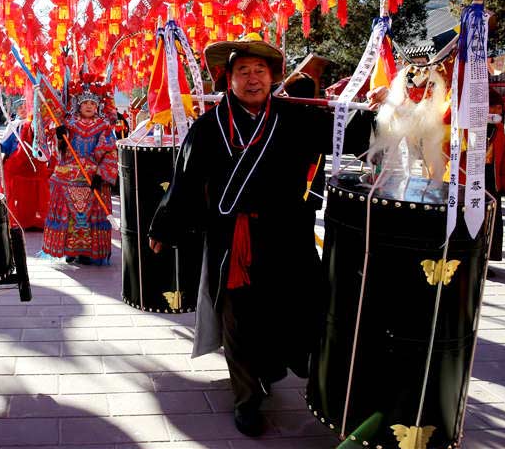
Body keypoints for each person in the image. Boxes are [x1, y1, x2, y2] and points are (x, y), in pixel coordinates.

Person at [147, 34, 385, 437]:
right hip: (233, 241)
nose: (253, 79)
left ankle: (290, 375)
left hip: (288, 235)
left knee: (300, 311)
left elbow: (350, 133)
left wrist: (381, 111)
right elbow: (185, 179)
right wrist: (164, 226)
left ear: (272, 77)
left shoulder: (296, 117)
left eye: (260, 71)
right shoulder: (208, 128)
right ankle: (246, 400)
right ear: (229, 79)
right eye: (243, 72)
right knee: (238, 320)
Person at [41, 76, 118, 265]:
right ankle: (70, 250)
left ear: (98, 106)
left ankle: (87, 253)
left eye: (93, 103)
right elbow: (61, 147)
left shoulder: (104, 126)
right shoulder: (70, 124)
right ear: (78, 105)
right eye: (85, 103)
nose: (89, 106)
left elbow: (110, 152)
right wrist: (60, 136)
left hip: (92, 175)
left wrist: (101, 175)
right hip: (69, 173)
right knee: (70, 216)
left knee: (90, 217)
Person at [1, 101, 52, 230]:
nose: (23, 110)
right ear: (16, 111)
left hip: (35, 165)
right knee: (20, 195)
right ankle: (20, 220)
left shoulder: (38, 125)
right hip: (18, 165)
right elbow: (6, 145)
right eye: (20, 108)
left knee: (36, 194)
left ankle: (36, 220)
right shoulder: (14, 126)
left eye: (26, 107)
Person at [485, 91, 505, 271]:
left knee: (492, 223)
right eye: (493, 107)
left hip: (492, 180)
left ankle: (486, 260)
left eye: (499, 108)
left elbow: (504, 160)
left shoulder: (500, 129)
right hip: (473, 178)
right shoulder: (471, 127)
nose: (496, 111)